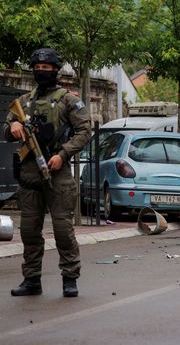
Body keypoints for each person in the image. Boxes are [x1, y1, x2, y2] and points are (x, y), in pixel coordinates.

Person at [4, 48, 92, 297]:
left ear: (56, 70)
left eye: (47, 68)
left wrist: (62, 154)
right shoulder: (23, 102)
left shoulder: (68, 100)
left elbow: (84, 132)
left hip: (57, 170)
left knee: (63, 229)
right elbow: (5, 129)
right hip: (30, 173)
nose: (42, 72)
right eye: (38, 68)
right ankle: (31, 280)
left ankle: (69, 278)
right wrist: (14, 125)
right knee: (30, 231)